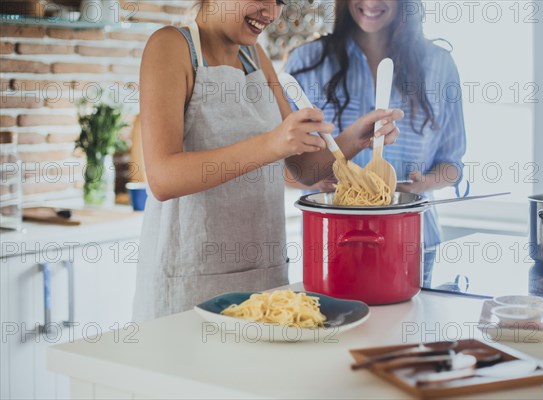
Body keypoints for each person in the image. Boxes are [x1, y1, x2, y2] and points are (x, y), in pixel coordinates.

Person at [133, 0, 402, 321]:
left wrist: (354, 138)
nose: (272, 13)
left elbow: (302, 168)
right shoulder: (170, 47)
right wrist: (271, 144)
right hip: (190, 283)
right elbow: (162, 178)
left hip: (262, 279)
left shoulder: (255, 57)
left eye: (280, 2)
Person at [285, 0, 467, 253]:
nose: (370, 3)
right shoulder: (307, 61)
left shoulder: (439, 65)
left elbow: (453, 166)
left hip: (414, 242)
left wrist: (422, 184)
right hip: (332, 243)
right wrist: (314, 182)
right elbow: (280, 167)